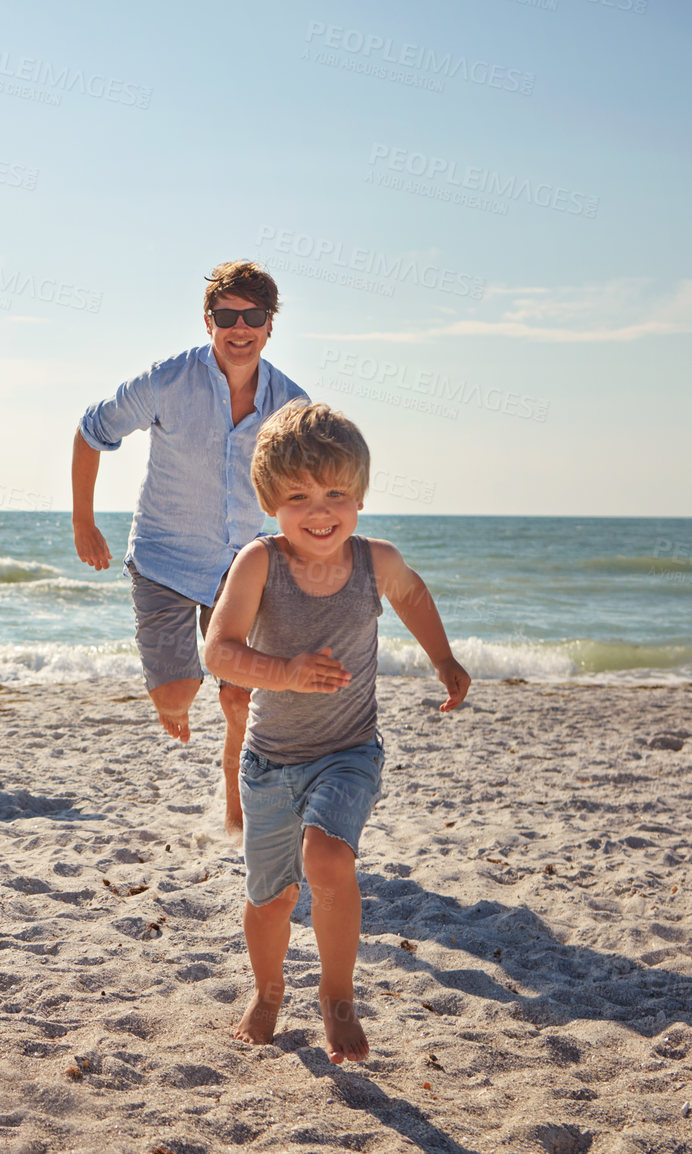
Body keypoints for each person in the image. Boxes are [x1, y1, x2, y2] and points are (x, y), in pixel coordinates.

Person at [204, 400, 470, 1064]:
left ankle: (337, 993)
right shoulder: (258, 564)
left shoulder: (374, 559)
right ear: (270, 503)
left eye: (336, 494)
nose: (319, 511)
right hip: (269, 763)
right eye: (298, 497)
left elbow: (411, 595)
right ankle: (268, 992)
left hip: (348, 753)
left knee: (328, 862)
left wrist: (443, 659)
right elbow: (219, 651)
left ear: (359, 497)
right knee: (271, 899)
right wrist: (284, 673)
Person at [72, 260, 308, 834]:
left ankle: (237, 810)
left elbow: (311, 487)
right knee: (178, 696)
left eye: (254, 315)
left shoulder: (293, 405)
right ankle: (174, 698)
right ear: (209, 321)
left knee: (241, 701)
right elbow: (90, 432)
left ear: (270, 325)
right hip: (163, 559)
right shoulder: (166, 381)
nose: (240, 327)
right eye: (227, 315)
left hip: (243, 563)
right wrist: (84, 523)